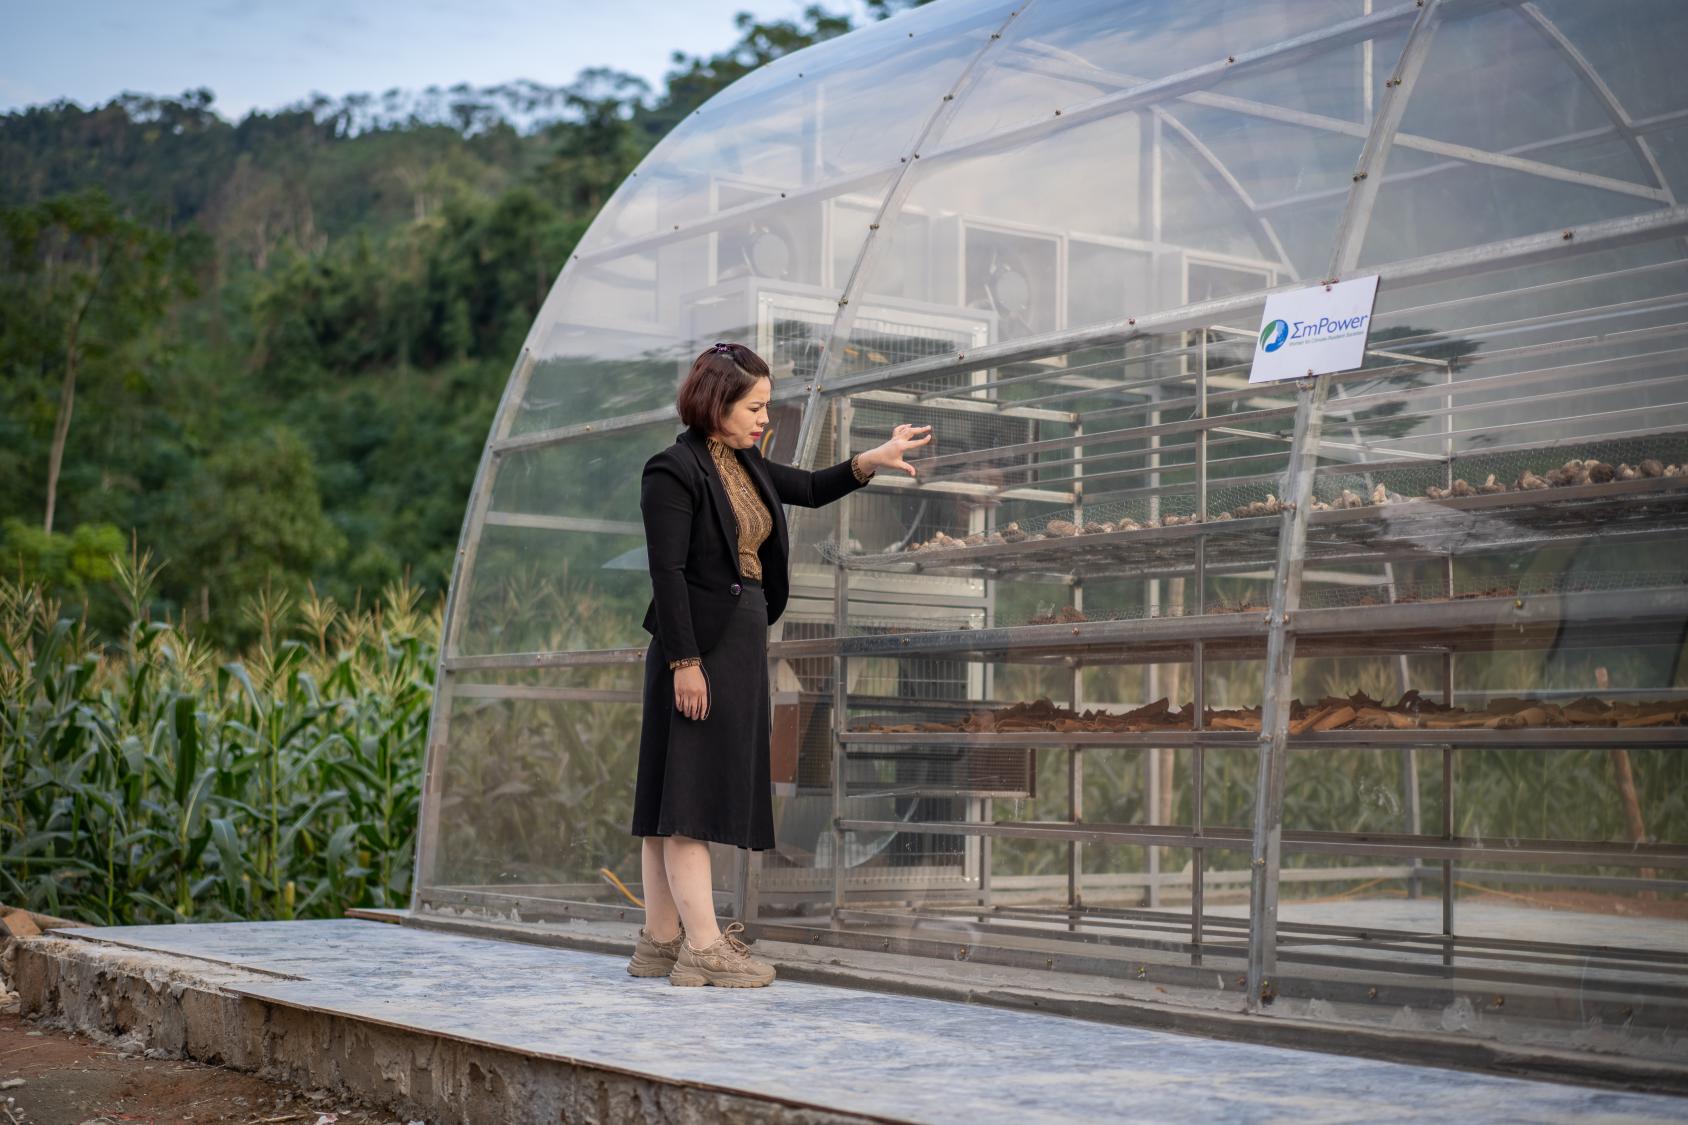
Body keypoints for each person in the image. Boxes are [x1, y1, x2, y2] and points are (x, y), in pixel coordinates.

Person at [627, 341, 932, 987]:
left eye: (767, 406)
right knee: (685, 800)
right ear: (717, 403)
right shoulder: (672, 470)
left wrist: (872, 459)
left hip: (737, 641)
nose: (765, 418)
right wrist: (685, 662)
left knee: (673, 799)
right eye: (755, 407)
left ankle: (660, 942)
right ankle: (703, 948)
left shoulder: (746, 462)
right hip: (697, 648)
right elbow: (667, 573)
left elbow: (811, 488)